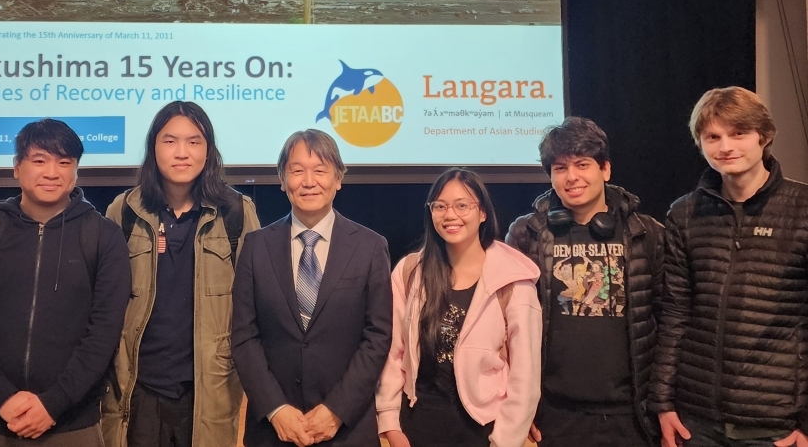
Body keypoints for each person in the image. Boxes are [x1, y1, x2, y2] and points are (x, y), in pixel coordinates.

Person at [0, 118, 131, 446]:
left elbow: (104, 333)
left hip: (71, 422)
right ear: (17, 167)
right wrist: (2, 398)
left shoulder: (104, 236)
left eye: (64, 162)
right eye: (39, 160)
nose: (52, 172)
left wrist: (53, 404)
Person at [652, 87, 808, 447]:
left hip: (775, 425)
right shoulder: (684, 213)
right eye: (713, 137)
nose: (725, 146)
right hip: (696, 419)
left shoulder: (802, 209)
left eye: (738, 133)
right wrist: (663, 403)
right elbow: (674, 314)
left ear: (763, 136)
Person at [100, 101, 261, 447]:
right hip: (138, 388)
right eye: (170, 141)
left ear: (209, 150)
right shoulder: (124, 210)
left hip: (209, 388)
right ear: (153, 148)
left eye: (194, 141)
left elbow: (254, 305)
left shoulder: (236, 212)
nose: (182, 152)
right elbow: (105, 302)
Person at [506, 116, 663, 447]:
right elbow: (507, 328)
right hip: (554, 413)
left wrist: (663, 403)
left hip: (632, 415)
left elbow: (670, 320)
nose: (572, 177)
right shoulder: (526, 234)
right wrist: (521, 404)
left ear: (605, 169)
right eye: (560, 168)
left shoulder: (647, 233)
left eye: (582, 164)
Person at [232, 129, 392, 446]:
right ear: (282, 179)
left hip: (347, 429)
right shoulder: (256, 246)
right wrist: (276, 409)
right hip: (273, 431)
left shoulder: (370, 247)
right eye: (297, 171)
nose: (309, 182)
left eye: (320, 170)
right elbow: (244, 336)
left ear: (338, 178)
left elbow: (378, 336)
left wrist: (337, 410)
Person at [376, 168, 543, 447]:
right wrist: (390, 424)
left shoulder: (513, 280)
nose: (450, 215)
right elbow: (393, 355)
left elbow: (525, 377)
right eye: (440, 206)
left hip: (483, 431)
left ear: (483, 213)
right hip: (416, 426)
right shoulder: (409, 272)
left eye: (462, 205)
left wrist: (505, 440)